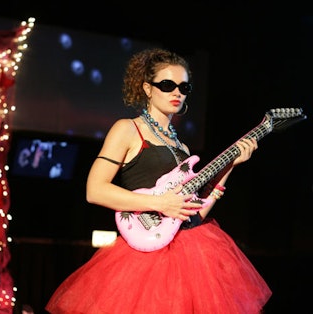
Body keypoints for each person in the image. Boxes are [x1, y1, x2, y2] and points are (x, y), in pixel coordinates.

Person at [45, 48, 272, 313]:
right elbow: (94, 191)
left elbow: (193, 212)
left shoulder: (183, 148)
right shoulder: (128, 129)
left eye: (184, 86)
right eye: (167, 85)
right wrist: (160, 203)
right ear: (147, 88)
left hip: (195, 254)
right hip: (146, 259)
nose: (177, 92)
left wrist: (229, 167)